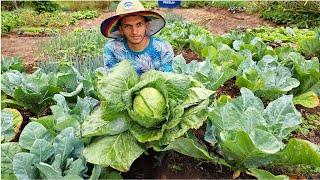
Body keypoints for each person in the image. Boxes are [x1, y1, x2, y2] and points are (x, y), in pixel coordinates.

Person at [100, 0, 174, 75]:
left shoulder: (164, 49)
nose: (134, 31)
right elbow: (110, 82)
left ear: (146, 26)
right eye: (127, 26)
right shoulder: (112, 48)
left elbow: (166, 82)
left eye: (139, 24)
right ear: (121, 29)